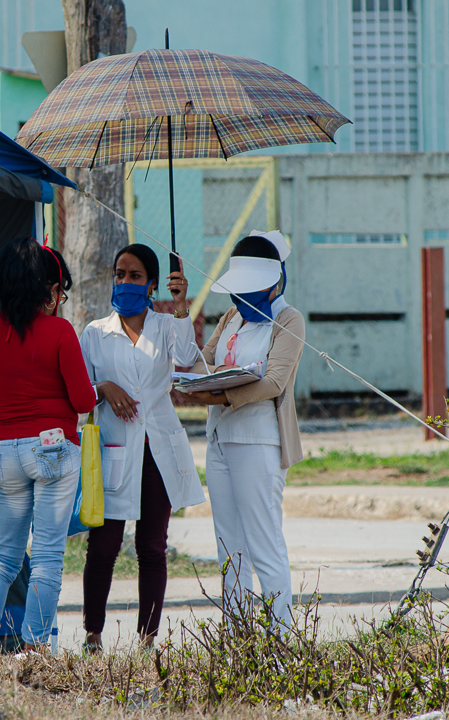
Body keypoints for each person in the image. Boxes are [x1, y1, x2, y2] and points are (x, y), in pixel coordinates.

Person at [0, 238, 96, 652]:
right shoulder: (59, 330)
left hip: (2, 449)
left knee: (2, 555)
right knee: (45, 558)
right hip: (53, 449)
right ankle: (35, 649)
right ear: (48, 290)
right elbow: (82, 401)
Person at [78, 244, 206, 650]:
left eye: (135, 276)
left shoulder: (167, 326)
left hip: (158, 450)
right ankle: (93, 635)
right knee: (103, 546)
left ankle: (147, 640)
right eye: (120, 274)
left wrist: (182, 305)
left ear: (152, 285)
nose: (125, 282)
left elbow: (187, 357)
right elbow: (79, 392)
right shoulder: (95, 332)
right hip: (114, 450)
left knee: (152, 546)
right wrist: (103, 387)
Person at [185, 232, 304, 626]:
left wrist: (221, 394)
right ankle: (239, 645)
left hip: (258, 440)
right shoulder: (231, 316)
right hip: (219, 438)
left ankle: (281, 639)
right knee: (229, 548)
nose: (241, 301)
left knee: (263, 543)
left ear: (275, 284)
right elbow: (203, 361)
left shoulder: (288, 320)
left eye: (251, 292)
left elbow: (273, 381)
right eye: (238, 292)